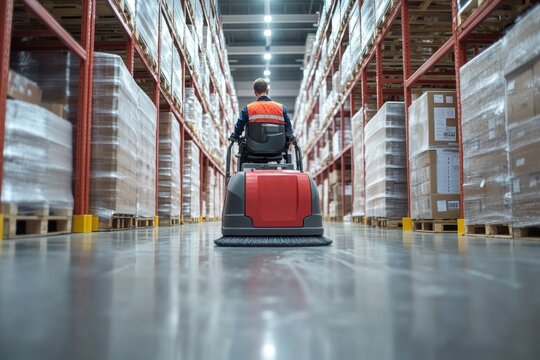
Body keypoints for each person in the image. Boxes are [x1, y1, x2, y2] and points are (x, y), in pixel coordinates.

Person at [229, 78, 296, 143]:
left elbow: (239, 126)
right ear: (267, 90)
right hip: (277, 148)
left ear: (255, 92)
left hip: (253, 149)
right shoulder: (281, 108)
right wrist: (290, 136)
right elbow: (289, 129)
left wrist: (235, 136)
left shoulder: (248, 109)